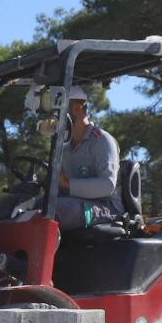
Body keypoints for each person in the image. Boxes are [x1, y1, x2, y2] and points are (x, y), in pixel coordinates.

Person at [52, 85, 124, 231]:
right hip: (76, 204)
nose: (56, 117)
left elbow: (107, 185)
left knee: (58, 209)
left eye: (60, 111)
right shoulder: (64, 145)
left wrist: (67, 183)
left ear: (78, 108)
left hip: (107, 209)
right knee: (35, 205)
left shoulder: (102, 140)